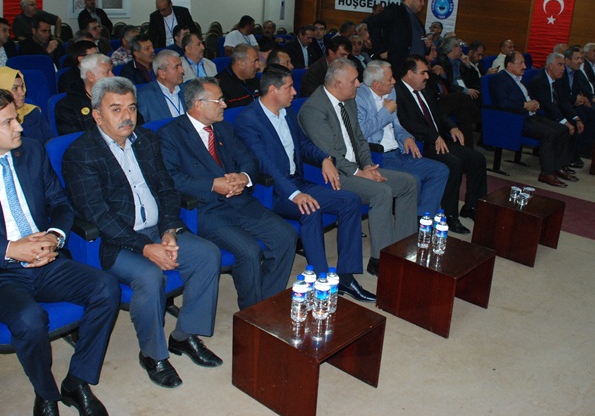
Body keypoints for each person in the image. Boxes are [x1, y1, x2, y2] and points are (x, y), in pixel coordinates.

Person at [0, 88, 120, 416]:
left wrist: (54, 237)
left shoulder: (31, 150)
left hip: (46, 259)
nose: (19, 126)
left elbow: (59, 202)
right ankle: (46, 393)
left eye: (16, 118)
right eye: (8, 122)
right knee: (29, 319)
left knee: (106, 287)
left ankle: (77, 381)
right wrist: (10, 249)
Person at [63, 77, 222, 389]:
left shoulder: (146, 139)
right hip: (114, 241)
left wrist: (169, 230)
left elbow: (167, 189)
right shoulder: (81, 153)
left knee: (207, 254)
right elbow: (99, 216)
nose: (127, 116)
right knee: (150, 276)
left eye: (132, 108)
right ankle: (153, 355)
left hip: (157, 230)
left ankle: (184, 336)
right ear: (97, 115)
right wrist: (146, 248)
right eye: (116, 109)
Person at [234, 65, 375, 302]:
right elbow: (265, 165)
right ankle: (321, 280)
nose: (294, 92)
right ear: (273, 90)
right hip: (271, 191)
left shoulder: (287, 112)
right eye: (289, 87)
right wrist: (294, 194)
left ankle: (345, 276)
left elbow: (304, 144)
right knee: (310, 208)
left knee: (350, 200)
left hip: (296, 181)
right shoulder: (248, 121)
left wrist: (325, 159)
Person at [158, 77, 297, 310]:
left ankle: (266, 301)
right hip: (206, 209)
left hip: (240, 200)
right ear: (199, 104)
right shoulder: (171, 135)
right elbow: (171, 178)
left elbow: (248, 159)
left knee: (286, 236)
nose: (225, 105)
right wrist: (212, 184)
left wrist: (244, 176)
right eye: (219, 100)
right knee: (249, 251)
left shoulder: (223, 128)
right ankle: (252, 312)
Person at [298, 58, 418, 277]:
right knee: (382, 192)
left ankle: (403, 247)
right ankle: (379, 259)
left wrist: (368, 165)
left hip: (357, 168)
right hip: (334, 175)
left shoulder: (348, 100)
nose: (359, 84)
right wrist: (359, 173)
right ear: (338, 84)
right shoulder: (313, 109)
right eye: (354, 80)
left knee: (408, 183)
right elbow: (330, 154)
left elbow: (360, 140)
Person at [395, 55, 488, 231]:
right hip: (421, 144)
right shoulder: (397, 93)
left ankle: (471, 206)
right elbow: (405, 123)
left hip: (438, 140)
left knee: (477, 159)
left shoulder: (423, 90)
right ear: (410, 74)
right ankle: (448, 215)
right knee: (454, 163)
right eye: (423, 73)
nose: (427, 76)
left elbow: (439, 113)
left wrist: (452, 127)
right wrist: (433, 136)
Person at [355, 60, 450, 217]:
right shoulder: (358, 97)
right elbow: (361, 132)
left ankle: (422, 217)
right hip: (378, 156)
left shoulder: (391, 91)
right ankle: (410, 220)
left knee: (440, 170)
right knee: (414, 180)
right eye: (390, 79)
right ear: (377, 84)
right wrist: (385, 112)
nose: (394, 81)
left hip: (398, 151)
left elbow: (397, 125)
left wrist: (406, 137)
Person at [490, 52, 573, 187]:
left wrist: (534, 103)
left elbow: (528, 96)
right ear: (510, 65)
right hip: (515, 119)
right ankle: (546, 173)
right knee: (549, 133)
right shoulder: (500, 79)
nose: (524, 66)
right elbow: (502, 103)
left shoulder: (519, 78)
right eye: (521, 63)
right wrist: (524, 105)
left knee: (562, 129)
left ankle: (557, 167)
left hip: (530, 115)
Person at [527, 52, 585, 170]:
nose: (563, 68)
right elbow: (548, 105)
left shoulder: (557, 80)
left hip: (552, 111)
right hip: (542, 113)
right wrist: (564, 122)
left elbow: (563, 101)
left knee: (575, 122)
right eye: (560, 65)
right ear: (550, 66)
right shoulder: (539, 81)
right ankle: (558, 165)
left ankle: (566, 161)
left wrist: (576, 118)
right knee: (565, 128)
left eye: (563, 65)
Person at [367, 0, 428, 77]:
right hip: (399, 65)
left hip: (415, 66)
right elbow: (373, 23)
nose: (423, 3)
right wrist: (381, 50)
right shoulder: (395, 11)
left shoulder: (416, 18)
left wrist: (426, 44)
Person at [0, 67, 54, 144]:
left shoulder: (31, 111)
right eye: (15, 88)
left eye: (22, 87)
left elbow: (51, 142)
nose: (22, 93)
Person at [55, 54, 114, 135]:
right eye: (107, 72)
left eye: (112, 71)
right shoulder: (68, 106)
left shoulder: (119, 96)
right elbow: (77, 140)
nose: (113, 76)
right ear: (90, 76)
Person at [137, 50, 187, 122]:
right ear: (162, 73)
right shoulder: (145, 97)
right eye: (176, 67)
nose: (182, 70)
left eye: (181, 65)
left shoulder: (187, 90)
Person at [215, 43, 260, 108]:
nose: (258, 66)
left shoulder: (254, 78)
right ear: (240, 63)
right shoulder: (220, 86)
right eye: (254, 62)